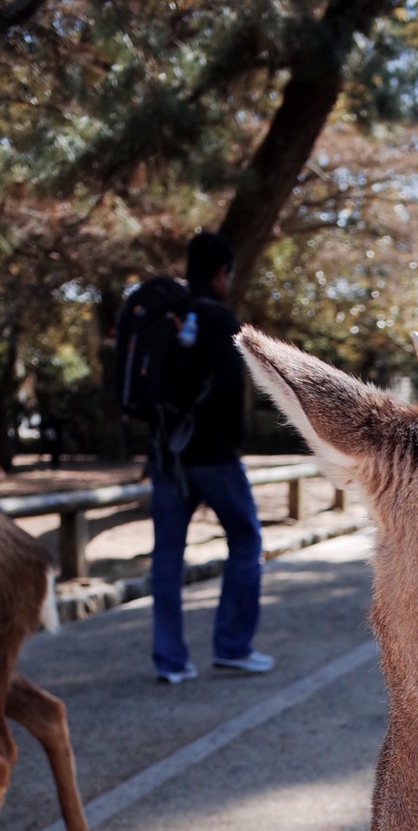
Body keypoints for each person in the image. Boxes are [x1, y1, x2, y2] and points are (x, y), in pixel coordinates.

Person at [149, 230, 271, 684]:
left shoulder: (167, 316)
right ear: (222, 273)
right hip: (214, 455)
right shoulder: (220, 319)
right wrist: (233, 439)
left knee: (166, 556)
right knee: (245, 540)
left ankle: (170, 660)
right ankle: (233, 646)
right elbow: (227, 387)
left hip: (167, 455)